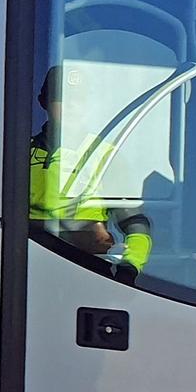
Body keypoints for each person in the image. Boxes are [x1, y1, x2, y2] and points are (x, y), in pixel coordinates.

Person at [29, 66, 153, 278]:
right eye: (62, 99)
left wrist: (131, 264)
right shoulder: (20, 153)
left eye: (79, 99)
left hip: (89, 267)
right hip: (28, 262)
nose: (71, 107)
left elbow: (135, 222)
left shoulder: (106, 157)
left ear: (88, 105)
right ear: (44, 103)